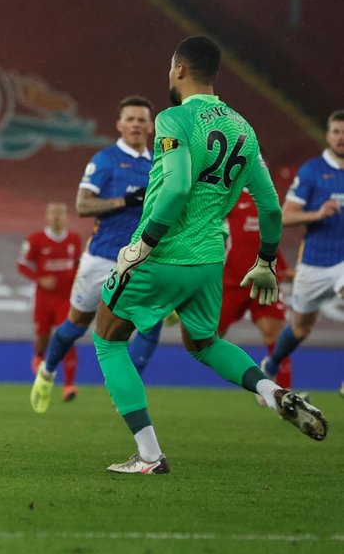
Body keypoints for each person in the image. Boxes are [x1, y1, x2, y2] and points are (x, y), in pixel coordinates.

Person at [66, 35, 325, 474]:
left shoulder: (173, 119)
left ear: (180, 69)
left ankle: (149, 456)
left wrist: (141, 245)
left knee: (108, 340)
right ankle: (270, 391)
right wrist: (264, 261)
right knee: (203, 342)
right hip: (209, 260)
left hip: (163, 254)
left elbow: (178, 187)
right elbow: (271, 206)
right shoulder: (243, 128)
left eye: (171, 67)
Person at [30, 96, 162, 413]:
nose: (136, 125)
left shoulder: (161, 161)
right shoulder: (105, 160)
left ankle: (127, 387)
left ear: (151, 125)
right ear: (119, 124)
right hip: (102, 256)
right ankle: (47, 371)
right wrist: (124, 201)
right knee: (76, 325)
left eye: (142, 119)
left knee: (152, 321)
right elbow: (83, 205)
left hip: (142, 258)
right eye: (130, 119)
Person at [262, 111, 344, 386]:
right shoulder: (312, 171)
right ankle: (271, 365)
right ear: (328, 135)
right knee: (300, 328)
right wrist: (316, 215)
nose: (341, 137)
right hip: (315, 263)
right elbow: (286, 216)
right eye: (336, 131)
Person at [218, 189, 293, 400]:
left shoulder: (268, 196)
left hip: (265, 279)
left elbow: (271, 236)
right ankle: (257, 383)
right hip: (233, 281)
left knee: (276, 337)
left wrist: (283, 267)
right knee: (208, 338)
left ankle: (284, 397)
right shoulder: (229, 193)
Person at [17, 202, 82, 400]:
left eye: (60, 213)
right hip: (44, 299)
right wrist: (40, 278)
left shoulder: (74, 240)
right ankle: (39, 355)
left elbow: (80, 265)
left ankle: (69, 386)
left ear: (65, 217)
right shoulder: (36, 239)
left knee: (67, 338)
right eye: (53, 213)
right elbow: (22, 265)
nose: (56, 216)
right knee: (43, 337)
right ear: (47, 216)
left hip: (65, 299)